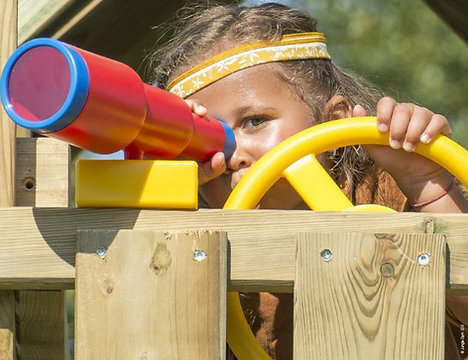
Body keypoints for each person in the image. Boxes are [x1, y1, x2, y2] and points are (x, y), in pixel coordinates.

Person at [147, 3, 468, 359]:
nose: (233, 154)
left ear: (334, 122)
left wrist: (424, 181)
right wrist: (160, 193)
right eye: (207, 136)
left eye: (255, 121)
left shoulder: (390, 195)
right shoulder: (197, 240)